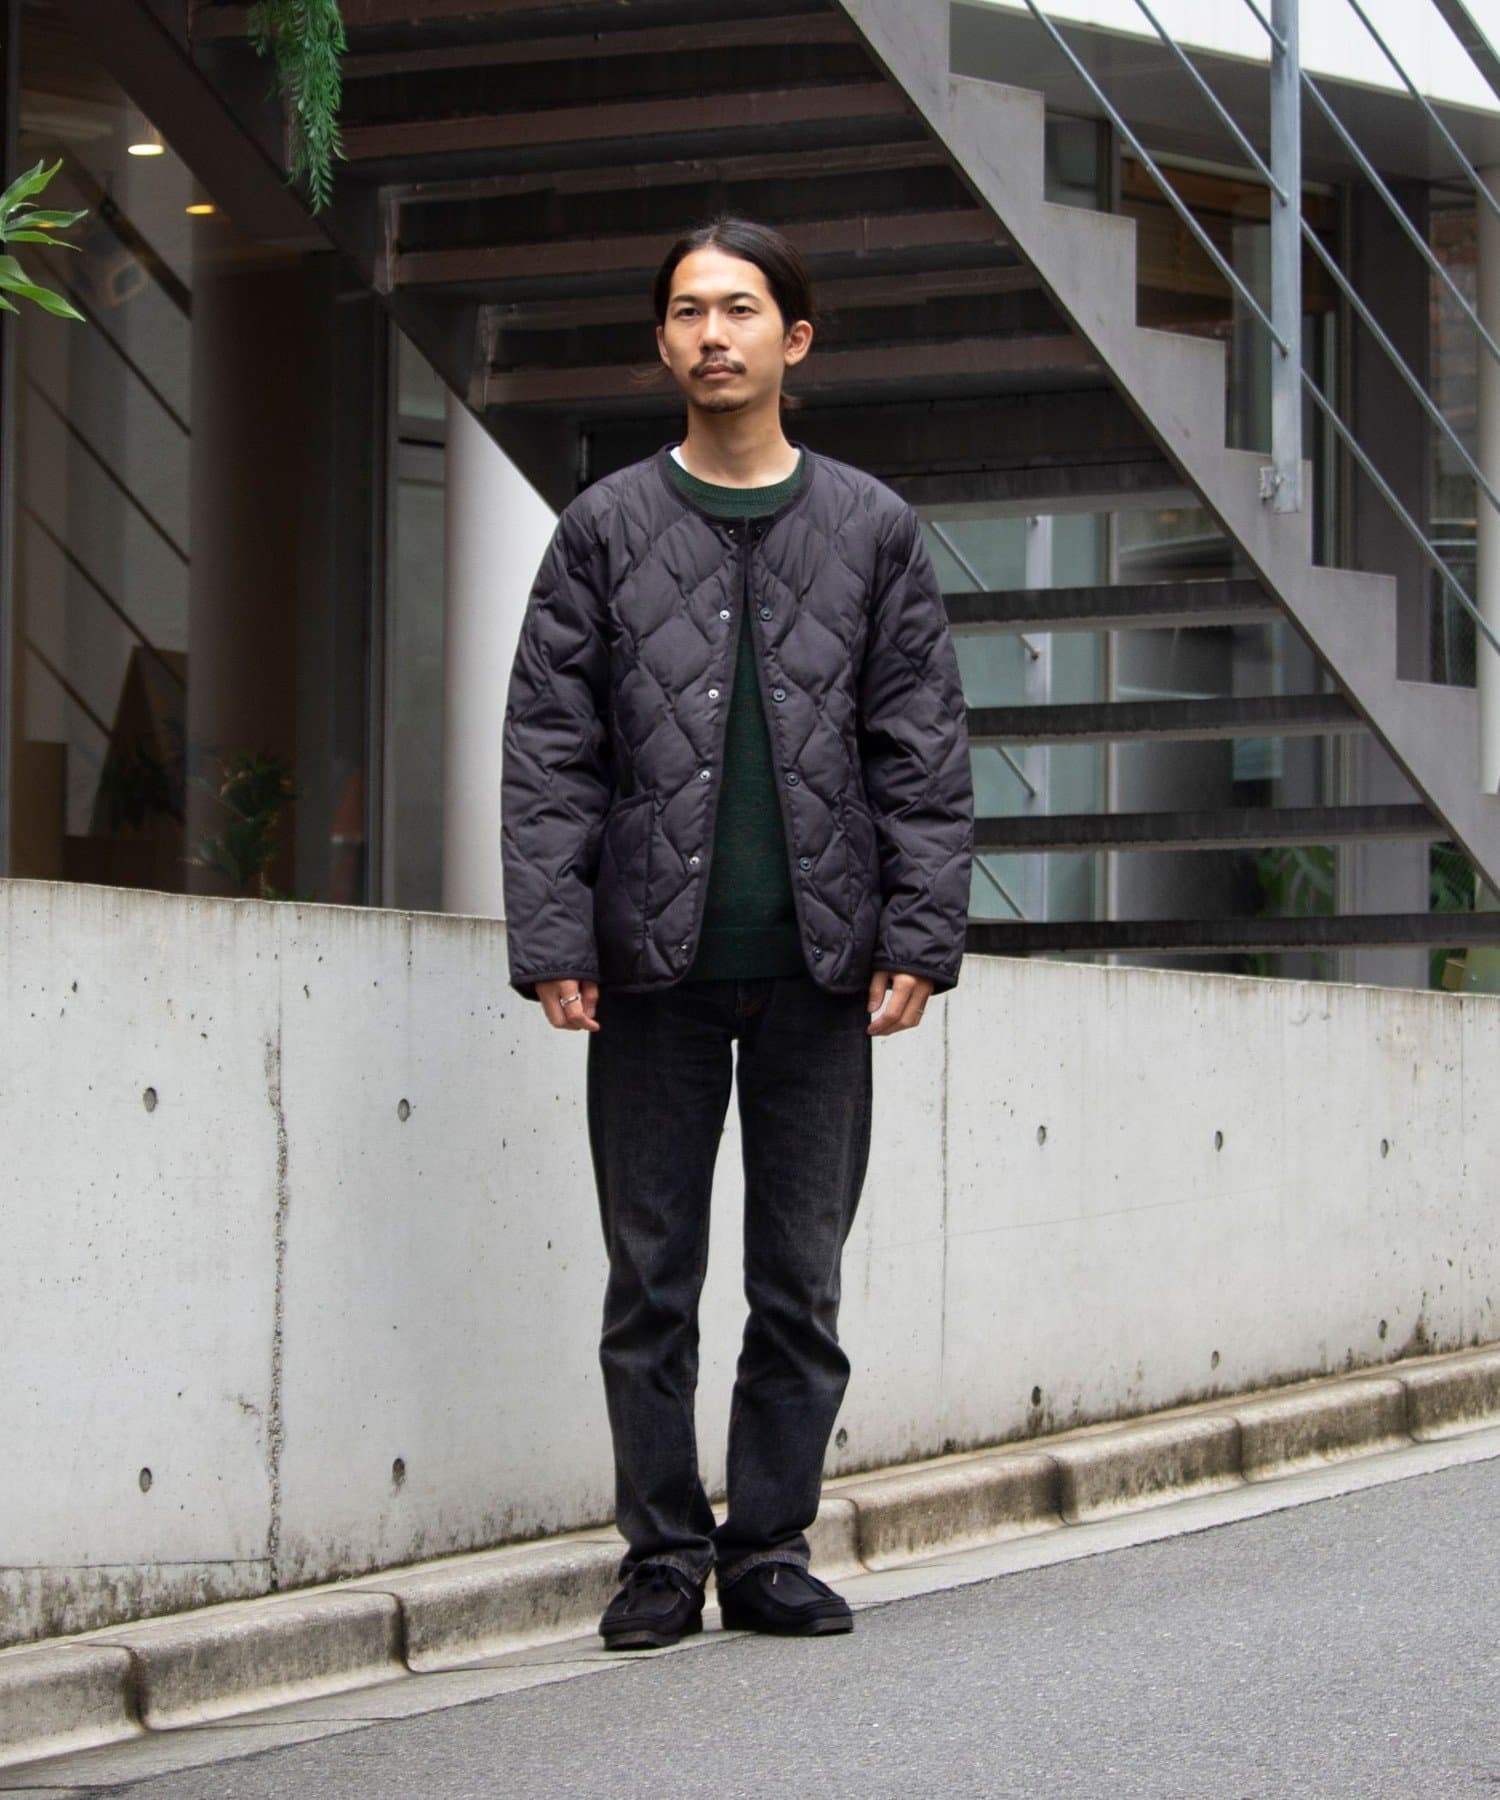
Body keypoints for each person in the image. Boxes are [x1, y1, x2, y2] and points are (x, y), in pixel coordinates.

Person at [499, 216, 973, 1651]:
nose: (716, 334)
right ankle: (660, 1556)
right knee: (651, 1282)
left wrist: (920, 933)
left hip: (822, 973)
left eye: (743, 308)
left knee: (799, 1281)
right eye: (691, 311)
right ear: (662, 342)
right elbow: (551, 752)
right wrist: (555, 934)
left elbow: (921, 749)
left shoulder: (873, 529)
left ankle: (768, 1547)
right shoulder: (602, 531)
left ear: (794, 337)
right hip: (651, 971)